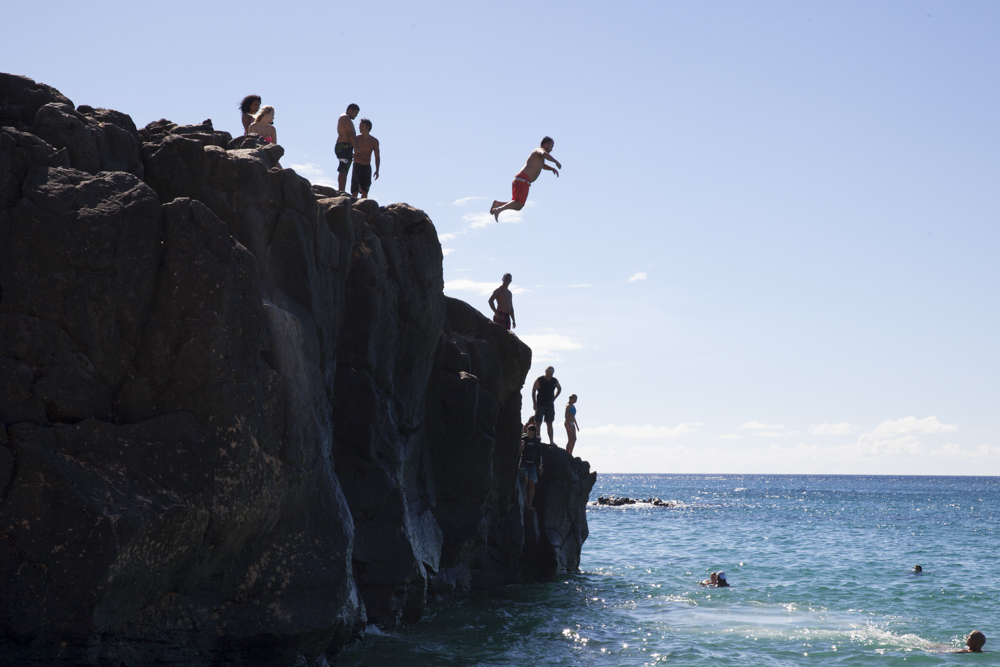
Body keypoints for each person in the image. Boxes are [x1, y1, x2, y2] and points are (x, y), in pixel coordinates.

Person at [490, 137, 561, 222]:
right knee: (517, 203)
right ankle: (498, 210)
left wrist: (551, 168)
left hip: (523, 180)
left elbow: (541, 165)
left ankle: (498, 204)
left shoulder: (540, 158)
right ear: (546, 144)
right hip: (523, 179)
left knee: (518, 206)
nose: (552, 149)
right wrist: (556, 162)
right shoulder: (539, 150)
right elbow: (543, 153)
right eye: (551, 146)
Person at [531, 366, 562, 445]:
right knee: (538, 422)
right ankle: (538, 437)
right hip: (540, 404)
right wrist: (534, 403)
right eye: (548, 373)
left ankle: (551, 441)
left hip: (550, 405)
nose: (549, 375)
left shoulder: (554, 381)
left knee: (549, 423)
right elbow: (534, 390)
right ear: (545, 372)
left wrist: (555, 397)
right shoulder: (540, 380)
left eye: (550, 374)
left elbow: (559, 388)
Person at [351, 118, 380, 199]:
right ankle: (353, 208)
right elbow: (348, 149)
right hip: (357, 165)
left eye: (361, 126)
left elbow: (377, 156)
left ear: (367, 127)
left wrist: (377, 170)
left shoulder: (374, 141)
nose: (359, 128)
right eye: (359, 126)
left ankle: (362, 208)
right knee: (354, 190)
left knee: (365, 191)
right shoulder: (356, 138)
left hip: (366, 167)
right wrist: (352, 155)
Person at [519, 424, 544, 511]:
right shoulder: (524, 440)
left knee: (532, 484)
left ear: (534, 433)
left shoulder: (536, 441)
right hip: (524, 463)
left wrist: (541, 465)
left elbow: (540, 454)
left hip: (532, 464)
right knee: (525, 483)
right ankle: (525, 503)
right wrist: (521, 447)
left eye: (531, 433)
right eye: (528, 433)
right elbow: (520, 452)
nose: (530, 435)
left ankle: (530, 503)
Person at [336, 103, 360, 192]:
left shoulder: (348, 119)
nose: (356, 115)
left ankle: (342, 190)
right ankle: (341, 190)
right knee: (343, 167)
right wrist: (356, 149)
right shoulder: (345, 118)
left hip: (347, 147)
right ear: (350, 110)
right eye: (355, 113)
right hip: (343, 145)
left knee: (345, 169)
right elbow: (350, 134)